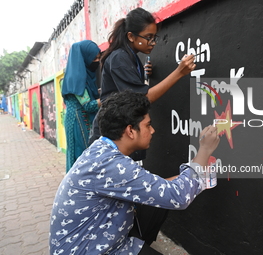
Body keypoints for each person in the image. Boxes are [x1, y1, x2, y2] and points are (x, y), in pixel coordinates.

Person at [49, 90, 220, 255]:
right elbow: (178, 197)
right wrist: (204, 150)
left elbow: (159, 188)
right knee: (165, 196)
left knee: (156, 200)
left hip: (98, 240)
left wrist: (191, 179)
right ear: (130, 131)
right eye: (148, 125)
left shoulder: (102, 149)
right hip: (90, 250)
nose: (152, 130)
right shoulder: (110, 164)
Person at [89, 7, 196, 158]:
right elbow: (142, 99)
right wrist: (179, 72)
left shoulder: (130, 56)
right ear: (131, 36)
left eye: (154, 37)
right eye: (148, 37)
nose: (153, 43)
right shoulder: (120, 58)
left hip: (122, 131)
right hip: (113, 135)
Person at [62, 40, 102, 172]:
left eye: (98, 57)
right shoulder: (77, 78)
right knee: (82, 155)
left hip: (77, 118)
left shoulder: (76, 75)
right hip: (78, 121)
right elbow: (89, 106)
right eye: (94, 58)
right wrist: (107, 97)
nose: (97, 61)